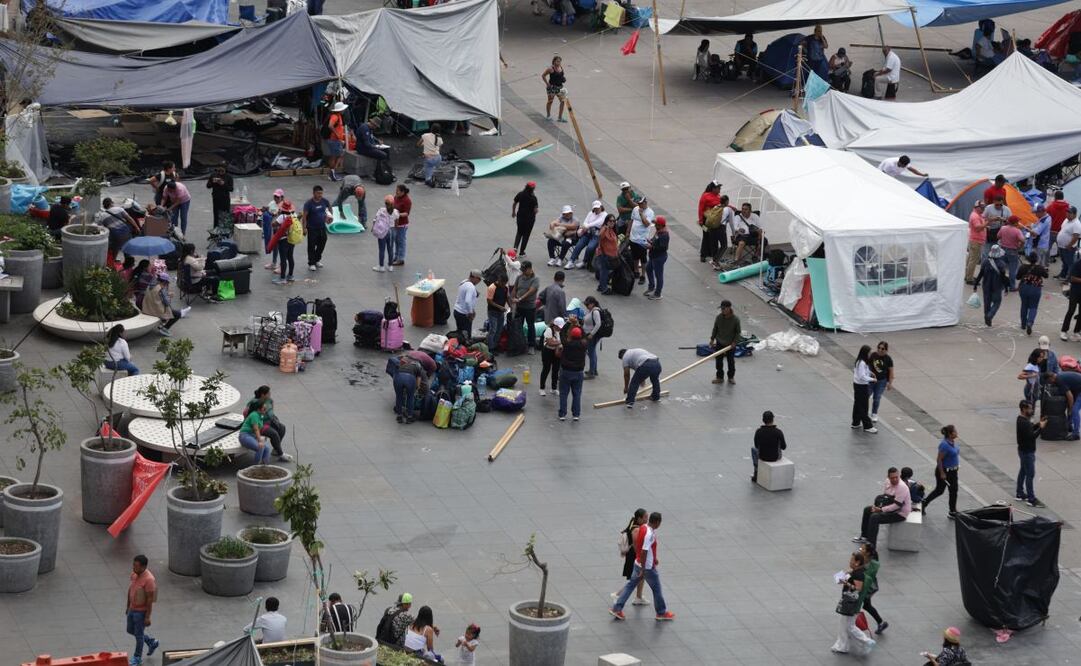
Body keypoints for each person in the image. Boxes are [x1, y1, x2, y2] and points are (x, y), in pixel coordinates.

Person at [609, 511, 674, 621]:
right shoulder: (650, 534)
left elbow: (641, 546)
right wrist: (644, 569)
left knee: (630, 586)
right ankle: (661, 612)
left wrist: (652, 558)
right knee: (657, 588)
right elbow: (644, 550)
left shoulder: (643, 527)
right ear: (657, 522)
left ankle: (617, 608)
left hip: (637, 563)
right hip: (647, 567)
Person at [830, 550, 876, 656]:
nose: (849, 562)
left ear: (857, 562)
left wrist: (846, 583)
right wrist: (848, 574)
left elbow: (858, 588)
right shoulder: (857, 571)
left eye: (852, 560)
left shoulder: (858, 574)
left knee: (847, 626)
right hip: (851, 602)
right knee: (847, 626)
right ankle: (845, 645)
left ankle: (865, 641)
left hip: (850, 602)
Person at [853, 467, 910, 546]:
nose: (894, 480)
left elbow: (897, 505)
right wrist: (878, 507)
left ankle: (871, 547)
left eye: (896, 477)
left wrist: (881, 510)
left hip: (899, 513)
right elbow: (886, 497)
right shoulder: (887, 482)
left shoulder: (902, 487)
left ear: (899, 475)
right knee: (867, 510)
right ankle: (864, 537)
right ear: (888, 477)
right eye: (892, 478)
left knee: (874, 517)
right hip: (890, 507)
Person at [126, 554, 159, 666]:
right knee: (131, 630)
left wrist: (147, 617)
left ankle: (137, 658)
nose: (133, 568)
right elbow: (131, 588)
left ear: (143, 567)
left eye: (136, 566)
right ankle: (151, 642)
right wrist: (128, 606)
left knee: (138, 635)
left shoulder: (149, 580)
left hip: (141, 611)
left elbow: (150, 600)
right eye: (133, 565)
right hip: (132, 608)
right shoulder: (135, 575)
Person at [243, 386, 291, 461]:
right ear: (263, 394)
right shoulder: (255, 402)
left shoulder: (270, 400)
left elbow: (272, 411)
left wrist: (275, 419)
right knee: (274, 434)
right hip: (260, 423)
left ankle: (276, 449)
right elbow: (246, 413)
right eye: (268, 393)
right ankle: (281, 454)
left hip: (270, 421)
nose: (270, 394)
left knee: (282, 428)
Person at [922, 425, 961, 517]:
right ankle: (924, 503)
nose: (956, 433)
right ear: (950, 434)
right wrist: (942, 473)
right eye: (955, 431)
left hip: (953, 471)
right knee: (940, 490)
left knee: (954, 490)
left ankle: (952, 510)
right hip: (944, 472)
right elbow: (939, 459)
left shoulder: (953, 442)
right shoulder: (944, 445)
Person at [1016, 399, 1046, 508]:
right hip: (1027, 452)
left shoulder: (1021, 420)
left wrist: (1038, 424)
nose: (1031, 410)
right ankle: (1031, 498)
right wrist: (1041, 428)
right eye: (1029, 408)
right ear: (1024, 409)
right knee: (1030, 474)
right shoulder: (1024, 422)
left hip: (1023, 450)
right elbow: (1032, 436)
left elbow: (1029, 430)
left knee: (1023, 471)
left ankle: (1019, 492)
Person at [617, 508, 649, 605]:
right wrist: (641, 557)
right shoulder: (636, 529)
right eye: (645, 517)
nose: (646, 519)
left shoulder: (633, 523)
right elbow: (636, 546)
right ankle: (618, 595)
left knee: (640, 576)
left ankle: (639, 597)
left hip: (633, 555)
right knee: (634, 578)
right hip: (634, 556)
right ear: (639, 518)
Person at [267, 200, 301, 285]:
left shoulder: (281, 217)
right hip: (292, 239)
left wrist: (277, 216)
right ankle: (290, 276)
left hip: (283, 240)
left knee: (283, 259)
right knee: (290, 257)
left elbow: (273, 224)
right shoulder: (294, 215)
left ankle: (282, 278)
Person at [974, 244, 1008, 327]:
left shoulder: (985, 262)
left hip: (986, 286)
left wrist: (975, 284)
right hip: (997, 286)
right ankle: (990, 315)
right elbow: (1003, 277)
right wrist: (1006, 287)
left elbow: (980, 274)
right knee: (997, 302)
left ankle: (986, 317)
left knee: (987, 302)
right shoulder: (1001, 264)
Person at [857, 542, 887, 635]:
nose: (860, 550)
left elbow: (866, 577)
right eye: (860, 548)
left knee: (858, 605)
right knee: (866, 605)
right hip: (861, 585)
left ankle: (854, 629)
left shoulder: (872, 564)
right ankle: (881, 622)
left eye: (863, 549)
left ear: (868, 553)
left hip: (866, 587)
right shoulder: (861, 558)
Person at [710, 300, 741, 384]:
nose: (722, 310)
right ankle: (720, 377)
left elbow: (738, 332)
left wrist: (735, 342)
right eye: (721, 309)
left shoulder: (735, 320)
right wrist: (712, 339)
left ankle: (731, 377)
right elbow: (715, 329)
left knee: (730, 361)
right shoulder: (719, 317)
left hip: (730, 345)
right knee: (718, 361)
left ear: (729, 308)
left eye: (724, 309)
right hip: (720, 342)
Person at [558, 326, 586, 421]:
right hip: (578, 372)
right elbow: (585, 335)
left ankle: (562, 414)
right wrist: (578, 325)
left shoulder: (566, 344)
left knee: (563, 393)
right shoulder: (583, 345)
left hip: (566, 371)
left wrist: (569, 323)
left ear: (571, 335)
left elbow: (562, 333)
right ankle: (576, 414)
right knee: (577, 394)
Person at [512, 260, 540, 354]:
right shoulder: (519, 277)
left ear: (530, 269)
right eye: (522, 270)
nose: (523, 272)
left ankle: (531, 345)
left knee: (530, 325)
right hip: (519, 306)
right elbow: (515, 288)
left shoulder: (535, 279)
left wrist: (519, 299)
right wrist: (512, 299)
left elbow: (531, 291)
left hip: (529, 307)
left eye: (524, 270)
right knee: (518, 325)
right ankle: (519, 344)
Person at [567, 201, 604, 269]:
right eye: (595, 208)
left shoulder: (604, 214)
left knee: (590, 247)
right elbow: (585, 222)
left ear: (601, 207)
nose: (596, 209)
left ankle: (584, 261)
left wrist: (587, 226)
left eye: (598, 208)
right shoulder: (590, 213)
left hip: (596, 234)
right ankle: (571, 261)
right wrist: (585, 226)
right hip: (587, 232)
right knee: (579, 244)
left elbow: (598, 223)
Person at [1017, 252, 1048, 335]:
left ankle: (1023, 324)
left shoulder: (1023, 267)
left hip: (1024, 287)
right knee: (1033, 307)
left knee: (1024, 305)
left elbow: (1017, 277)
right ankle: (1030, 323)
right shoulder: (1040, 268)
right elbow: (1046, 276)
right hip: (1035, 288)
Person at [751, 410, 786, 483]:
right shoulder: (778, 432)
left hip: (762, 456)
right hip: (775, 457)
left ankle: (756, 472)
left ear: (763, 420)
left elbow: (756, 446)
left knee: (753, 449)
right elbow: (784, 447)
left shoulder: (759, 431)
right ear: (773, 420)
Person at [302, 185, 331, 272]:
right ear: (314, 193)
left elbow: (329, 209)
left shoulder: (324, 201)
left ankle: (317, 259)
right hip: (312, 228)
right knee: (311, 245)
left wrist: (329, 217)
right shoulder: (308, 204)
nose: (320, 195)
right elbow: (304, 216)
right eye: (318, 193)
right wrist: (304, 228)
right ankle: (311, 263)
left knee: (322, 243)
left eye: (321, 193)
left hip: (322, 227)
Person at [1045, 370, 1081, 439]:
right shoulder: (1058, 376)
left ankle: (1076, 434)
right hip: (1077, 388)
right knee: (1070, 406)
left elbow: (1070, 396)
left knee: (1074, 410)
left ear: (1051, 378)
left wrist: (1070, 409)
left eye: (1049, 381)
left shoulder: (1059, 380)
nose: (1050, 383)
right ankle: (1069, 426)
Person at [394, 354, 428, 424]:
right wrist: (417, 388)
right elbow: (418, 380)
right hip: (409, 378)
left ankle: (399, 416)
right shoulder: (418, 367)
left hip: (398, 377)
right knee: (410, 397)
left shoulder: (405, 364)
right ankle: (409, 417)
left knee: (399, 397)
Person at [629, 198, 655, 284]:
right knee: (635, 256)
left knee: (643, 258)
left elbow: (647, 224)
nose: (639, 205)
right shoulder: (635, 209)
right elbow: (631, 220)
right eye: (638, 204)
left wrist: (641, 214)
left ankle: (643, 275)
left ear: (645, 203)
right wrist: (628, 232)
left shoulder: (650, 212)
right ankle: (636, 271)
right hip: (633, 238)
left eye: (641, 204)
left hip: (642, 239)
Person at [851, 345, 877, 433]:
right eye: (869, 353)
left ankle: (856, 422)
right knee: (863, 406)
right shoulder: (861, 363)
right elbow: (862, 376)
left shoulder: (860, 362)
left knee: (858, 404)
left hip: (858, 385)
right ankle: (867, 425)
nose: (870, 354)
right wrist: (872, 379)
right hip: (861, 386)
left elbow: (863, 372)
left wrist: (870, 372)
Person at [370, 195, 398, 273]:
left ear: (385, 203)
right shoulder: (396, 212)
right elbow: (396, 224)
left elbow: (375, 220)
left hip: (382, 231)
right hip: (392, 231)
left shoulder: (381, 210)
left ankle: (381, 266)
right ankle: (390, 266)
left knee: (381, 249)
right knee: (391, 249)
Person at [996, 215, 1025, 290]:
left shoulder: (1003, 228)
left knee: (1002, 268)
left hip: (1003, 250)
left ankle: (1001, 285)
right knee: (1012, 269)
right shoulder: (1017, 231)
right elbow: (1023, 240)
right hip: (1012, 250)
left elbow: (998, 236)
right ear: (1015, 223)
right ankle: (1012, 286)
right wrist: (1020, 246)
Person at [239, 400, 271, 464]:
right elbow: (256, 429)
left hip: (252, 436)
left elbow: (258, 430)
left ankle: (265, 465)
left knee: (267, 448)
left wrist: (260, 438)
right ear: (259, 409)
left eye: (266, 409)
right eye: (264, 409)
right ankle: (256, 467)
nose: (265, 410)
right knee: (260, 447)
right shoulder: (254, 415)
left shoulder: (261, 416)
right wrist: (260, 441)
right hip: (245, 435)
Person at [644, 216, 669, 300]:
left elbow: (663, 248)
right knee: (648, 269)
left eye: (656, 224)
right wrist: (650, 241)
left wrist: (651, 247)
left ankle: (658, 293)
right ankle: (651, 287)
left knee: (659, 275)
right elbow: (654, 241)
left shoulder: (664, 235)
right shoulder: (658, 232)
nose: (654, 225)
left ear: (660, 225)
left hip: (659, 258)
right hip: (653, 256)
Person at [453, 269, 483, 339]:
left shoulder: (464, 281)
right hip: (464, 314)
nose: (479, 281)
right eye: (479, 279)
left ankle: (459, 348)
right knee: (466, 335)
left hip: (457, 311)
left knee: (460, 333)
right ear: (474, 277)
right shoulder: (470, 287)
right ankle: (464, 348)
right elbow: (467, 301)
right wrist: (470, 313)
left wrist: (475, 292)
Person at [697, 181, 722, 263]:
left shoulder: (718, 196)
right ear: (713, 189)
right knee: (706, 236)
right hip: (706, 220)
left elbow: (722, 205)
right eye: (718, 188)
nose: (720, 189)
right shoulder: (705, 196)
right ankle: (703, 255)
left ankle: (712, 254)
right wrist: (700, 220)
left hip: (714, 220)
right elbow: (700, 208)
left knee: (713, 237)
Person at [323, 101, 349, 181]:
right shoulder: (335, 116)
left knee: (337, 155)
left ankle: (333, 172)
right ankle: (332, 173)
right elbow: (330, 126)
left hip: (336, 140)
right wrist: (337, 134)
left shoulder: (338, 116)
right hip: (334, 140)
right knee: (335, 156)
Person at [539, 316, 564, 397]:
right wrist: (561, 342)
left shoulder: (561, 331)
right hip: (547, 352)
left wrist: (558, 343)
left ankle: (553, 388)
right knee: (546, 369)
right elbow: (550, 343)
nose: (560, 328)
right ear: (555, 325)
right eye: (559, 327)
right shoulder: (549, 330)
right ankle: (542, 388)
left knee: (556, 370)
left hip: (557, 351)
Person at [869, 341, 894, 421]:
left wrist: (890, 383)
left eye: (882, 348)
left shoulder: (888, 359)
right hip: (871, 380)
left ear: (886, 350)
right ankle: (863, 412)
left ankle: (874, 413)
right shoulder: (873, 355)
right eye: (879, 348)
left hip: (881, 381)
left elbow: (891, 371)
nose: (880, 350)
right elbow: (867, 365)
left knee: (877, 398)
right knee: (866, 396)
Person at [965, 200, 988, 284]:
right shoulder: (975, 216)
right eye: (981, 208)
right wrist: (987, 223)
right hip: (976, 240)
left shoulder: (978, 215)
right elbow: (978, 228)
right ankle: (969, 278)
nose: (983, 209)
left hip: (975, 240)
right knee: (973, 260)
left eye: (983, 208)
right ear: (977, 207)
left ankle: (968, 275)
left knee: (971, 259)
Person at [486, 274, 510, 353]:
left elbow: (507, 298)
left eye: (505, 283)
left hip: (501, 313)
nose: (503, 285)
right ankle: (490, 347)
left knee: (499, 330)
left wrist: (511, 307)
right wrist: (499, 307)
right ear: (499, 281)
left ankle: (495, 345)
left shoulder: (505, 288)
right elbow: (489, 301)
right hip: (492, 312)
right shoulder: (492, 287)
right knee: (493, 330)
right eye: (502, 283)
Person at [264, 188, 286, 270]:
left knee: (282, 248)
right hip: (274, 228)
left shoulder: (285, 205)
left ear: (282, 197)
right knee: (275, 246)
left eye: (278, 197)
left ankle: (281, 266)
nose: (276, 198)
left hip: (283, 230)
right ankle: (274, 263)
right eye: (275, 196)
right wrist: (265, 210)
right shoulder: (271, 203)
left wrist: (277, 213)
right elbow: (269, 213)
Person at [1057, 205, 1081, 281]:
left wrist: (1069, 245)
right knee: (1064, 262)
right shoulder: (1066, 220)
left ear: (1074, 214)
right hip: (1061, 246)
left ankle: (1069, 278)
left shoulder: (1077, 224)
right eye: (1067, 212)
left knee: (1070, 263)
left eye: (1069, 213)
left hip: (1069, 247)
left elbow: (1076, 237)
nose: (1067, 214)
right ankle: (1063, 274)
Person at [596, 214, 618, 294]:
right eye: (610, 221)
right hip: (604, 254)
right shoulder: (605, 229)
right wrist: (605, 227)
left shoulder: (611, 230)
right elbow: (600, 236)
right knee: (604, 271)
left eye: (614, 221)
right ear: (606, 221)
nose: (612, 222)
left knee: (605, 271)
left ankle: (601, 286)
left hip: (610, 255)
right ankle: (604, 288)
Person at [542, 56, 567, 122]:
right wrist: (547, 84)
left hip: (560, 87)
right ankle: (548, 115)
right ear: (554, 61)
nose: (558, 63)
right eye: (557, 61)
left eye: (559, 61)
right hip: (552, 88)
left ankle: (560, 117)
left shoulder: (560, 67)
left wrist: (563, 79)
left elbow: (561, 76)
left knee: (562, 101)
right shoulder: (550, 69)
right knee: (550, 101)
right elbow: (543, 75)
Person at [582, 296, 602, 378]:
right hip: (589, 334)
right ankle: (594, 370)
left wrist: (591, 334)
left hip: (591, 336)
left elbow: (598, 324)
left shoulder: (595, 312)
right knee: (592, 352)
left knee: (591, 353)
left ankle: (591, 373)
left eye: (588, 304)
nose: (586, 306)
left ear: (593, 304)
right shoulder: (591, 310)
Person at [392, 184, 411, 266]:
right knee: (396, 241)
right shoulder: (396, 197)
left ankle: (401, 258)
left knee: (401, 241)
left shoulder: (407, 200)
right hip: (395, 223)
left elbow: (406, 213)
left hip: (402, 224)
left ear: (403, 192)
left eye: (398, 191)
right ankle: (396, 256)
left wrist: (398, 214)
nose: (396, 192)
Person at [1027, 202, 1052, 267]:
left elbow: (1035, 233)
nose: (1035, 215)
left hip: (1039, 245)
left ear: (1040, 212)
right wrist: (1031, 226)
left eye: (1036, 213)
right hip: (1042, 244)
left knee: (1036, 264)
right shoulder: (1047, 217)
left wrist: (1027, 229)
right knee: (1040, 263)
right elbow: (1037, 226)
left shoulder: (1044, 221)